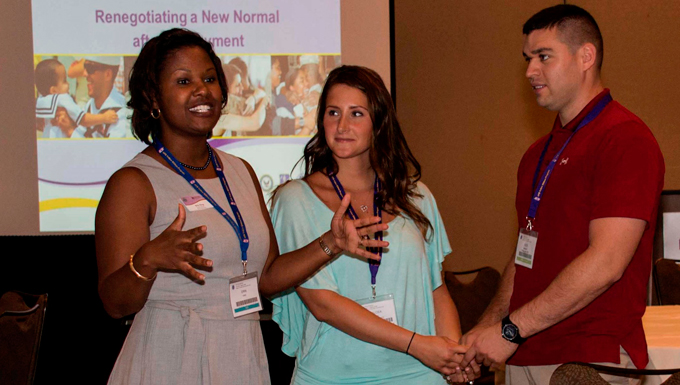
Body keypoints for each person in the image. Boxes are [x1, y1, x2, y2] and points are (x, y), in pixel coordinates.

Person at [95, 29, 388, 385]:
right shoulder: (133, 183)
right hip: (171, 357)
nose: (202, 90)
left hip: (241, 353)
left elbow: (266, 278)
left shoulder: (239, 171)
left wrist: (331, 243)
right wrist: (148, 259)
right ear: (153, 97)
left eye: (209, 78)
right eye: (184, 81)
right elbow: (114, 303)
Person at [459, 5, 665, 384]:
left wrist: (509, 331)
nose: (529, 71)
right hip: (525, 352)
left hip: (588, 357)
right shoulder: (536, 154)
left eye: (544, 56)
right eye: (527, 58)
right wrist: (488, 326)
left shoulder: (625, 139)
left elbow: (607, 262)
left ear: (586, 56)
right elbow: (525, 255)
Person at [270, 65, 480, 385]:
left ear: (379, 123)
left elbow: (436, 290)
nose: (342, 125)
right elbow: (323, 303)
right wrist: (417, 345)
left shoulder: (416, 196)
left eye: (356, 113)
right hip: (333, 377)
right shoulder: (295, 199)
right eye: (333, 112)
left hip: (420, 375)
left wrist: (452, 358)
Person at [34, 58, 118, 138]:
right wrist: (104, 117)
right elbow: (83, 119)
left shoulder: (42, 99)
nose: (68, 84)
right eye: (64, 81)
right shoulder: (63, 98)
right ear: (53, 90)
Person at [70, 56, 131, 138]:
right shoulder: (89, 105)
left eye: (90, 68)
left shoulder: (123, 113)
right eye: (85, 67)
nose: (85, 74)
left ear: (108, 75)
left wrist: (68, 130)